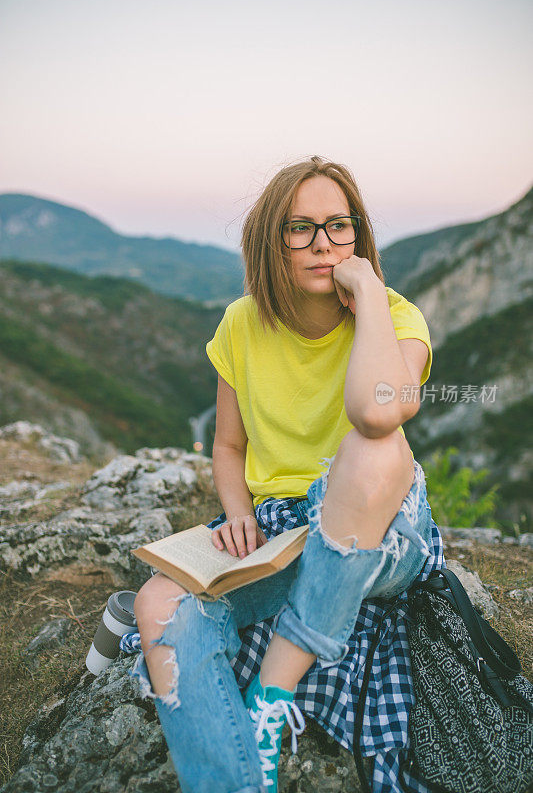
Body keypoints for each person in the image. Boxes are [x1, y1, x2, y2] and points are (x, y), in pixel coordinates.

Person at [130, 155, 446, 793]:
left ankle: (272, 692)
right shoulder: (241, 324)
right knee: (158, 602)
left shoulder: (394, 319)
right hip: (281, 535)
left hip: (379, 527)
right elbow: (226, 444)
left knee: (373, 448)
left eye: (339, 225)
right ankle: (233, 783)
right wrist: (239, 510)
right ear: (270, 241)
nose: (324, 244)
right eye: (300, 228)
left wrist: (370, 301)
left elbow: (376, 412)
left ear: (358, 234)